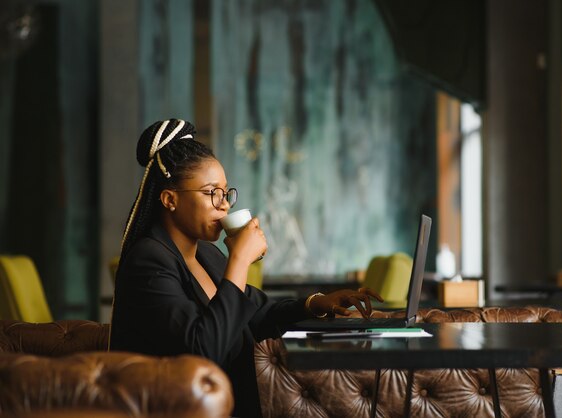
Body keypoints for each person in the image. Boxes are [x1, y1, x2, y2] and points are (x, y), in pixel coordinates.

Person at [109, 119, 383, 418]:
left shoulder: (207, 255)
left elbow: (257, 313)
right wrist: (239, 261)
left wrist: (316, 303)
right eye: (211, 192)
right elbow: (202, 352)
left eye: (226, 193)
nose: (224, 205)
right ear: (170, 199)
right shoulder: (147, 260)